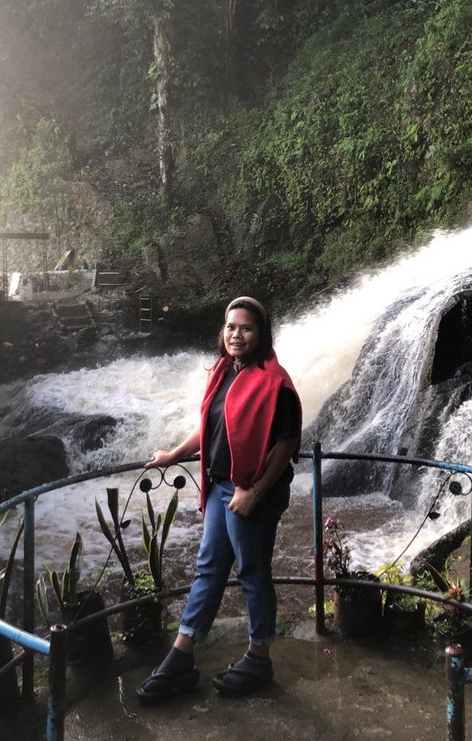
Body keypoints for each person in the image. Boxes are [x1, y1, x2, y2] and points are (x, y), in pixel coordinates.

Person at [136, 296, 302, 704]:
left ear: (260, 334)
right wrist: (174, 454)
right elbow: (210, 426)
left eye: (246, 328)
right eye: (230, 327)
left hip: (251, 494)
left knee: (253, 573)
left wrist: (256, 492)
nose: (236, 334)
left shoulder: (274, 382)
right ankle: (182, 655)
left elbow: (286, 444)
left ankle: (260, 656)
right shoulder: (226, 372)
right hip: (219, 487)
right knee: (209, 568)